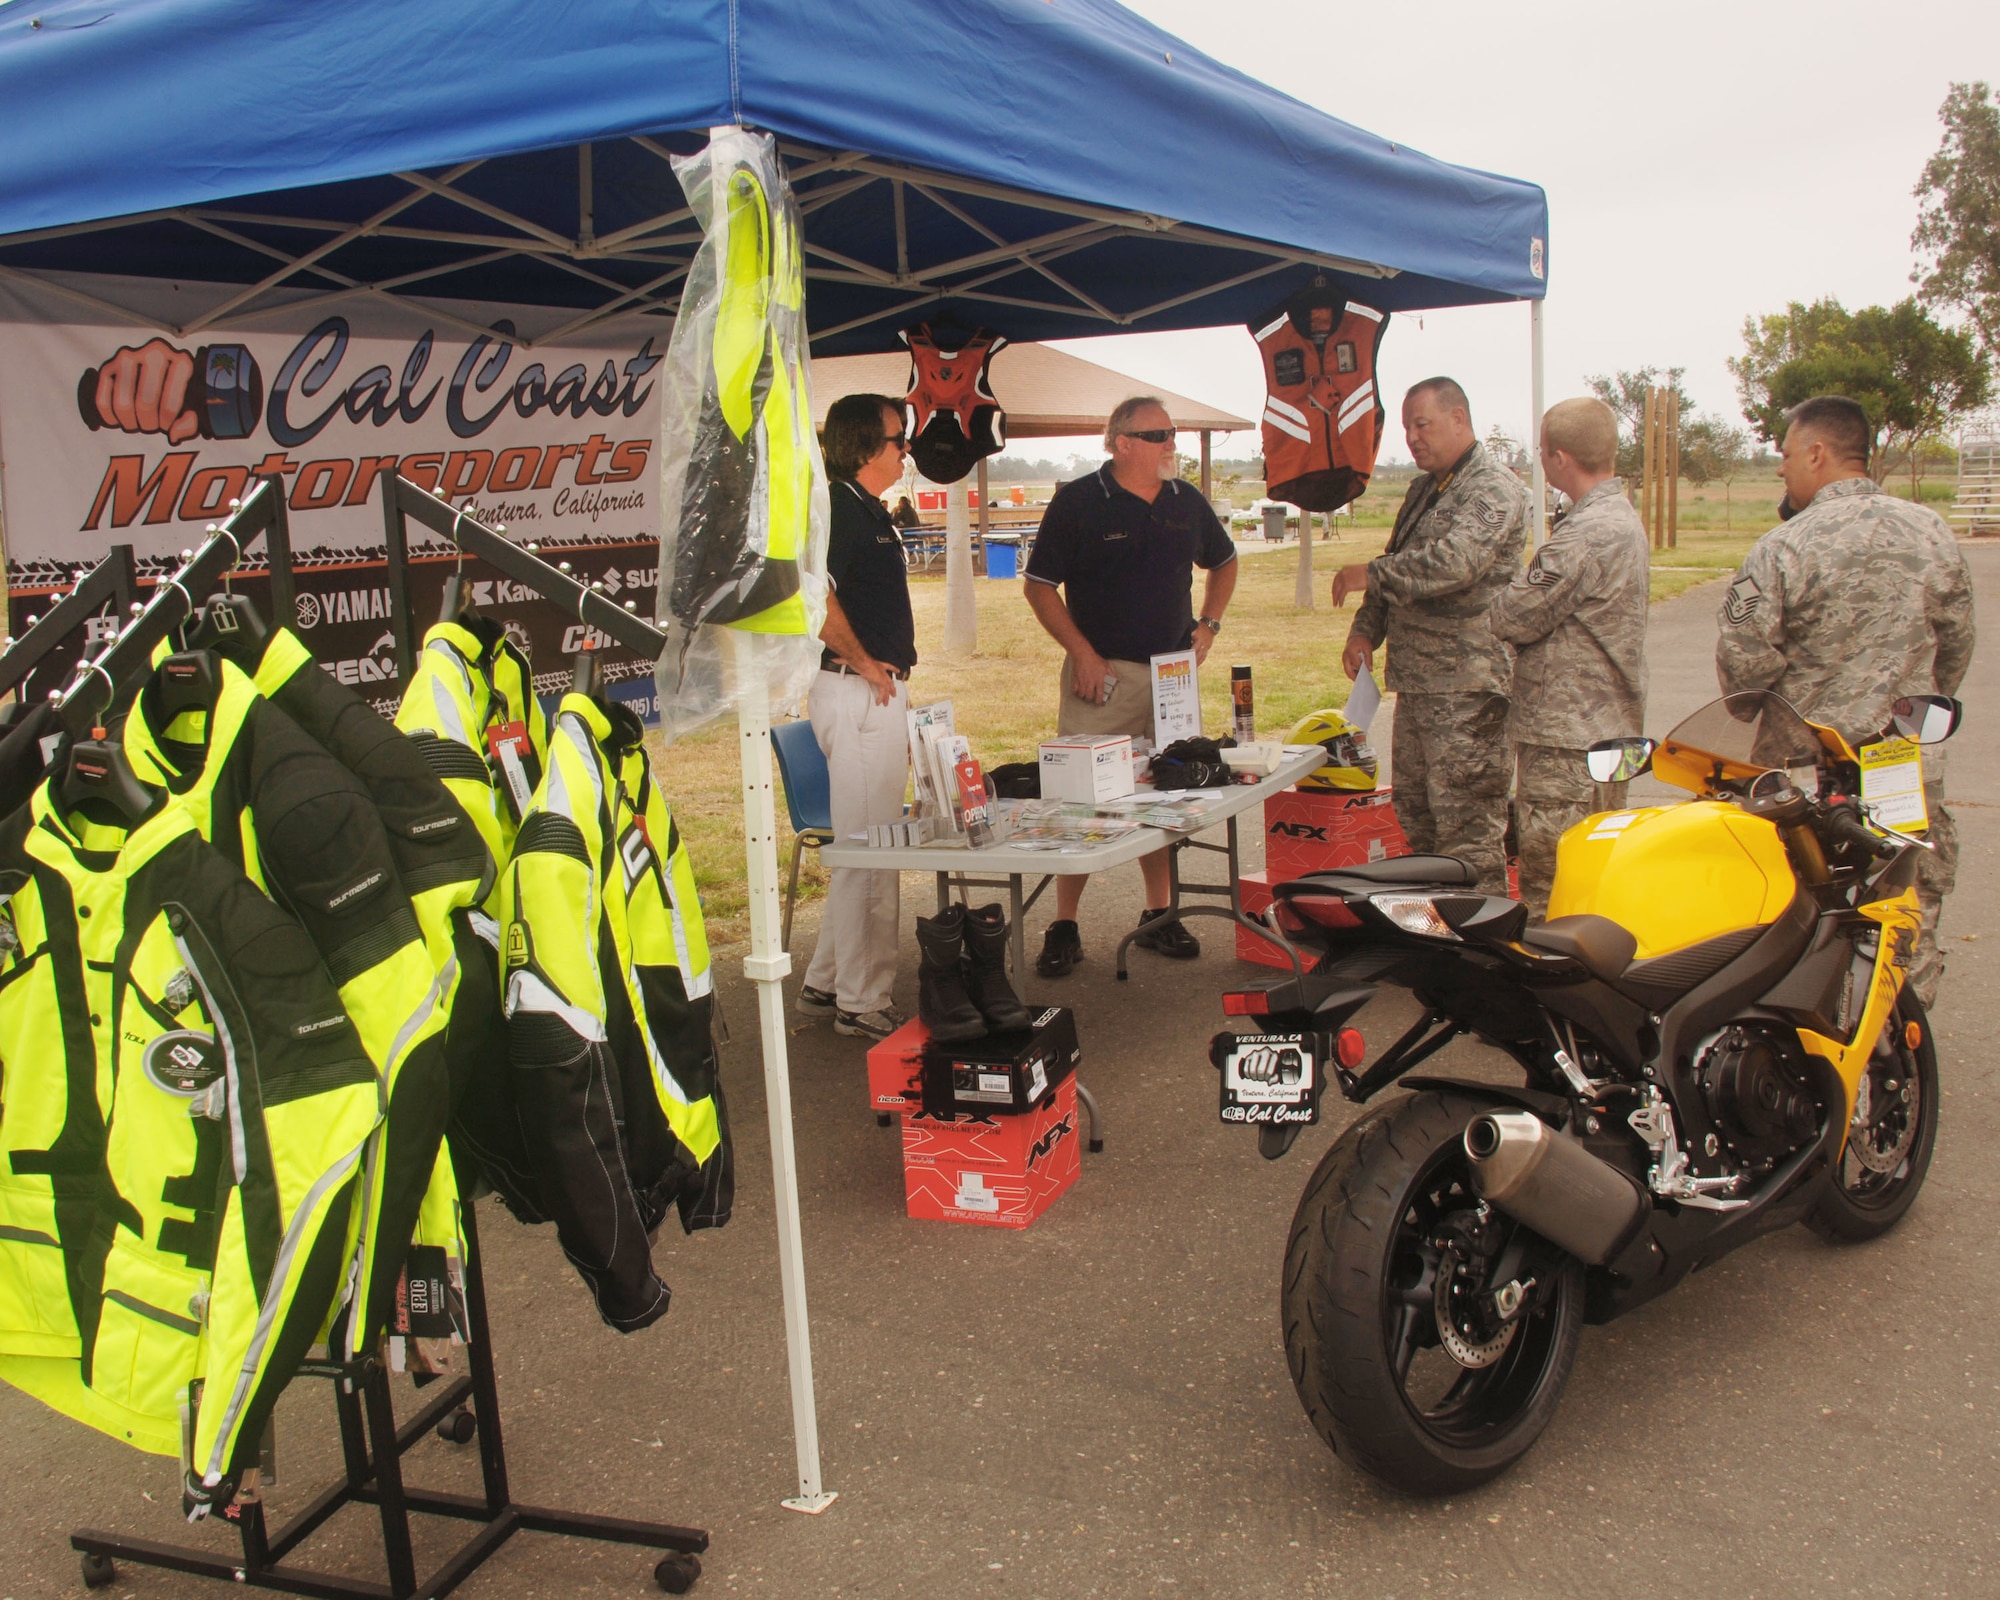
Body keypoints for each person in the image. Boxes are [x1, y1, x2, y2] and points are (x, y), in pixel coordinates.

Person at [1715, 394, 1975, 1008]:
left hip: (1809, 769)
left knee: (1803, 911)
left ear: (1817, 451)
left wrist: (1764, 704)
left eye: (1784, 455)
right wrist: (1910, 711)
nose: (1781, 468)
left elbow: (1743, 664)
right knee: (1903, 910)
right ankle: (1898, 1055)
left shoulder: (1783, 546)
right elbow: (1956, 645)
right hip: (1901, 765)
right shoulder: (1933, 531)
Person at [1023, 396, 1238, 976]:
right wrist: (1084, 655)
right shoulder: (1078, 502)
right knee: (1080, 805)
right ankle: (1064, 924)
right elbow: (1039, 586)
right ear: (1122, 442)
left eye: (1174, 432)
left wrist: (1209, 625)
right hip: (1103, 680)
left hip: (1172, 680)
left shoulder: (1185, 501)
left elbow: (1226, 561)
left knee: (1167, 798)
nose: (1173, 442)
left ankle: (1158, 916)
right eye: (1160, 434)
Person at [1335, 378, 1528, 894]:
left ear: (1459, 419)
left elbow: (1455, 565)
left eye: (1423, 424)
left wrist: (1370, 574)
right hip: (1418, 688)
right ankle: (1438, 939)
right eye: (1406, 427)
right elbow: (1394, 560)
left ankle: (1487, 951)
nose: (1413, 438)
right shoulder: (1424, 490)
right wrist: (1364, 633)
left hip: (1468, 690)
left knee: (1468, 830)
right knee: (1417, 817)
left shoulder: (1493, 487)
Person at [1487, 397, 1649, 917]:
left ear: (1558, 459)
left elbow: (1511, 615)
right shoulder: (1621, 518)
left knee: (1552, 890)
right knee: (1598, 880)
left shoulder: (1585, 533)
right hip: (1610, 731)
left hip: (1567, 742)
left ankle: (1549, 991)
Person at [795, 394, 919, 1040]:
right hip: (858, 690)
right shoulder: (839, 507)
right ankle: (862, 1000)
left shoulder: (862, 508)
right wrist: (866, 663)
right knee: (870, 851)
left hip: (869, 690)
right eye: (899, 440)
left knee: (864, 845)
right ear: (867, 447)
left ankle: (826, 980)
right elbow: (811, 593)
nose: (906, 450)